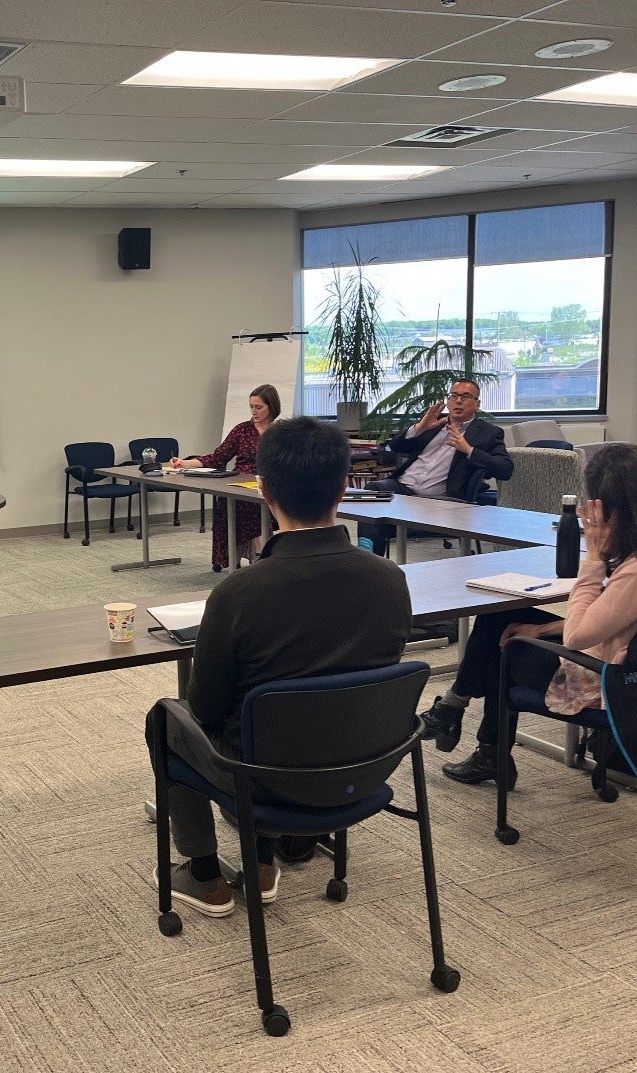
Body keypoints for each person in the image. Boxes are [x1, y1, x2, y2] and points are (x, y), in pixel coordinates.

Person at [151, 417, 412, 918]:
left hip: (265, 780)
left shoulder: (240, 593)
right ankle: (266, 857)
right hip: (365, 765)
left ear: (263, 490)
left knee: (167, 719)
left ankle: (205, 874)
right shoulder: (390, 579)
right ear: (344, 486)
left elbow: (205, 708)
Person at [420, 442, 637, 788]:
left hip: (619, 683)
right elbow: (627, 616)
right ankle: (458, 716)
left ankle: (467, 725)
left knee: (504, 644)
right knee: (506, 620)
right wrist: (544, 627)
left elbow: (577, 637)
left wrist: (595, 559)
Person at [357, 379, 513, 556]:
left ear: (477, 404)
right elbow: (394, 447)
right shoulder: (433, 424)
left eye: (465, 396)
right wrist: (419, 428)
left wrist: (469, 450)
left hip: (440, 499)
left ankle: (370, 559)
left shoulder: (488, 433)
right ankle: (367, 554)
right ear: (448, 400)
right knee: (373, 491)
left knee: (378, 516)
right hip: (402, 488)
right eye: (454, 395)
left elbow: (505, 469)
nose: (458, 400)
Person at [168, 384, 280, 570]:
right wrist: (185, 463)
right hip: (239, 484)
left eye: (259, 407)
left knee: (261, 506)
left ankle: (263, 560)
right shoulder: (242, 430)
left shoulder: (281, 433)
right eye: (251, 406)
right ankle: (254, 559)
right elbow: (217, 457)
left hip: (267, 485)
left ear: (272, 407)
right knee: (245, 505)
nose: (254, 411)